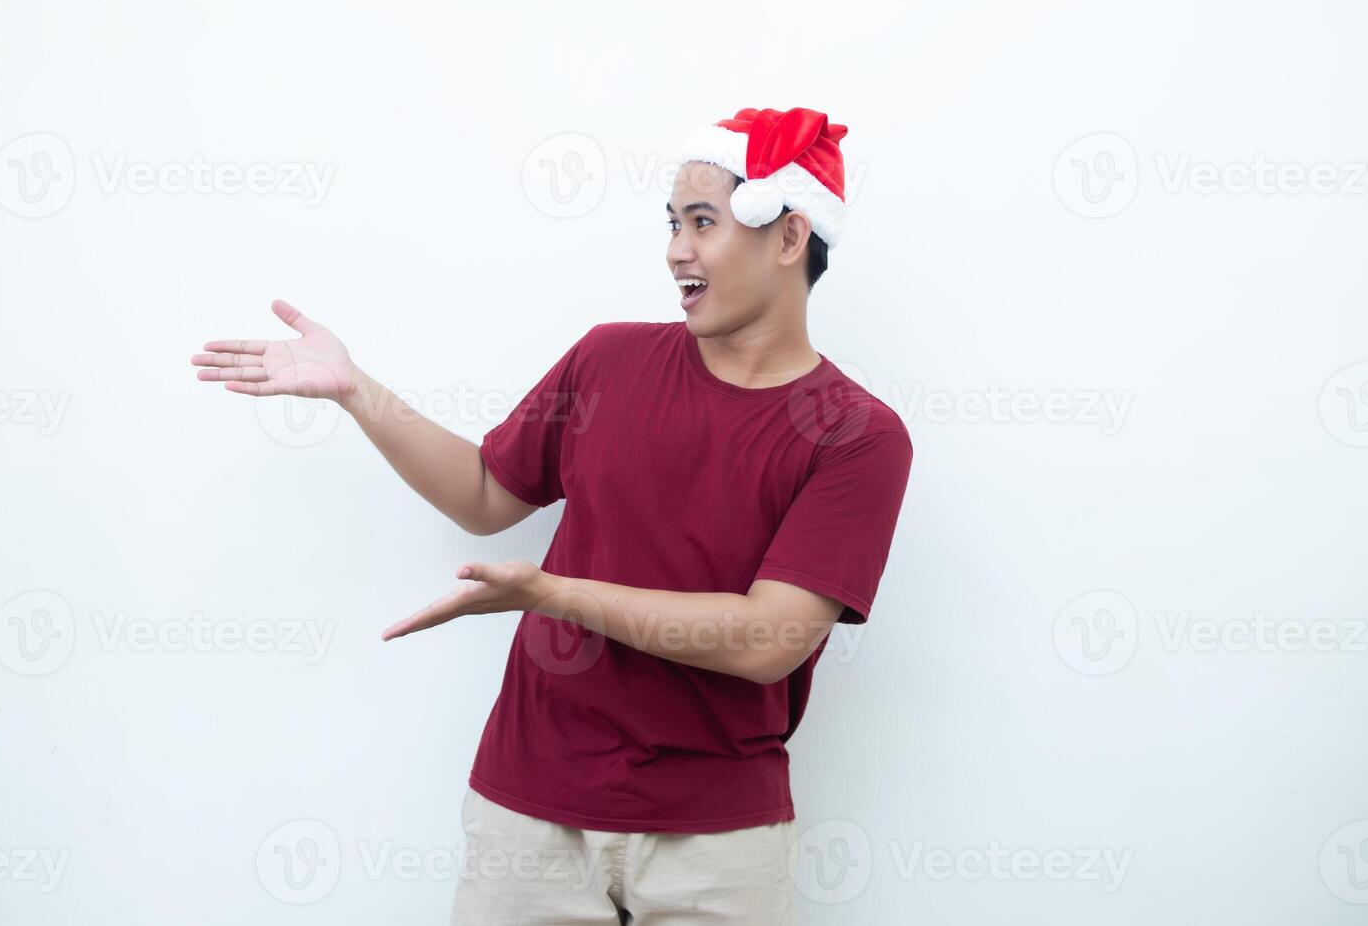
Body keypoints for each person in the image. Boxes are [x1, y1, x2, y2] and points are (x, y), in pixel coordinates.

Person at [191, 106, 913, 925]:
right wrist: (358, 392)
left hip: (720, 838)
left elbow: (766, 641)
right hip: (530, 812)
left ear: (789, 237)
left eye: (704, 223)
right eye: (673, 224)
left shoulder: (859, 435)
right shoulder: (607, 358)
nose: (677, 249)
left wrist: (554, 594)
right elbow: (482, 495)